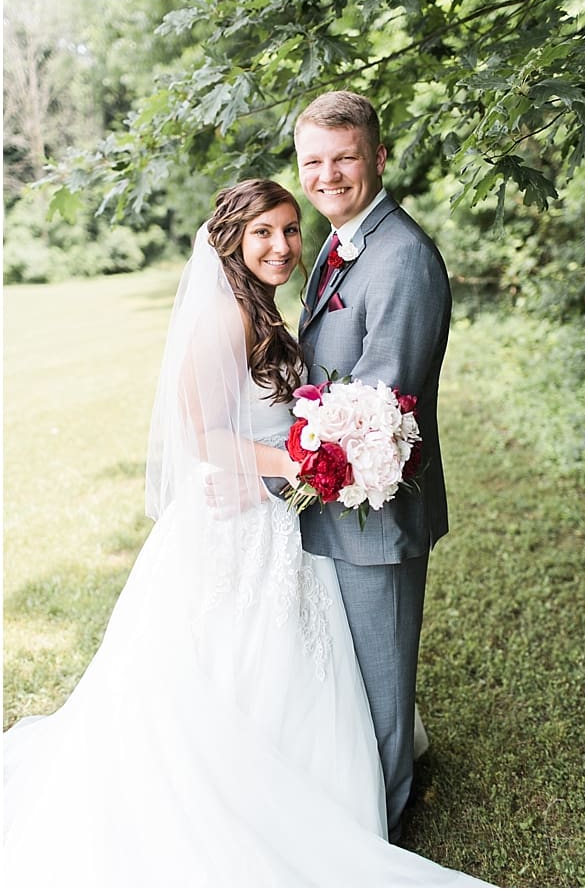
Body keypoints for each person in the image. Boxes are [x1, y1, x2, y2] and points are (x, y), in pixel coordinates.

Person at [2, 181, 485, 886]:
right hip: (235, 527)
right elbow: (201, 432)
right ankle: (245, 795)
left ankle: (309, 784)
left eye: (290, 230)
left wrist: (305, 458)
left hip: (273, 517)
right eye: (263, 233)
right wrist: (299, 461)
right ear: (230, 238)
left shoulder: (259, 305)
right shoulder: (224, 317)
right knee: (231, 664)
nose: (283, 246)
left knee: (295, 659)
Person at [293, 90, 452, 844]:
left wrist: (281, 463)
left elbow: (382, 405)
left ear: (378, 158)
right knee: (349, 672)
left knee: (384, 684)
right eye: (313, 162)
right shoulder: (339, 239)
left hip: (376, 509)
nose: (327, 175)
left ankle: (381, 835)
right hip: (332, 508)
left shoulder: (404, 256)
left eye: (344, 157)